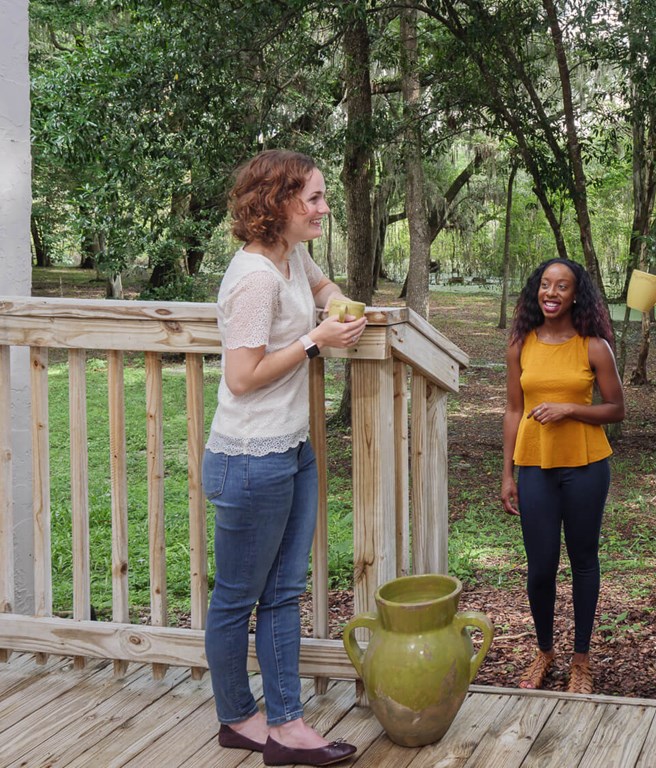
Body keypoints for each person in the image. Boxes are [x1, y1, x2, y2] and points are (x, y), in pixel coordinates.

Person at [203, 149, 366, 767]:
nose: (325, 208)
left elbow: (321, 285)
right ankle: (239, 717)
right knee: (238, 598)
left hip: (291, 449)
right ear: (279, 204)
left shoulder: (291, 256)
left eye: (324, 197)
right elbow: (243, 377)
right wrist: (314, 341)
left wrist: (337, 304)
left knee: (282, 593)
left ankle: (286, 725)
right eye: (316, 199)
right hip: (249, 458)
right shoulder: (253, 278)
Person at [501, 258, 625, 694]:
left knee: (583, 561)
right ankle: (545, 651)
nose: (552, 293)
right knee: (540, 568)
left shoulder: (594, 346)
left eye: (563, 286)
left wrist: (570, 408)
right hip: (534, 466)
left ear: (576, 294)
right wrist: (507, 473)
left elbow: (616, 409)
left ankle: (581, 659)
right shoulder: (521, 344)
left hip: (586, 467)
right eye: (546, 285)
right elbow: (514, 408)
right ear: (537, 290)